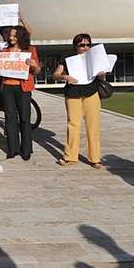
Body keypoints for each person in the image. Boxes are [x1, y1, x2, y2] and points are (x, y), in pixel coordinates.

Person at [0, 26, 40, 160]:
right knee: (10, 119)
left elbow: (37, 71)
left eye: (14, 36)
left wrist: (34, 65)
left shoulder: (30, 50)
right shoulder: (4, 51)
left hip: (23, 88)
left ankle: (26, 149)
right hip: (7, 88)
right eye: (10, 35)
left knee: (25, 118)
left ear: (21, 36)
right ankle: (13, 148)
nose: (11, 38)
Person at [53, 33, 104, 169]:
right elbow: (56, 75)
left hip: (91, 93)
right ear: (76, 46)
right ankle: (70, 156)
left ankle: (95, 158)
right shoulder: (68, 59)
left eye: (88, 45)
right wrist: (65, 77)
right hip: (73, 93)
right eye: (82, 45)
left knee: (93, 126)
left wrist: (102, 73)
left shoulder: (95, 59)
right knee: (73, 124)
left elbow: (102, 77)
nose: (85, 47)